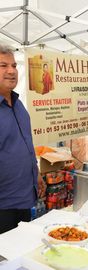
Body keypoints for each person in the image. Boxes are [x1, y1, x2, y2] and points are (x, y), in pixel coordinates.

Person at [0, 44, 46, 234]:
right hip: (3, 206)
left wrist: (35, 173)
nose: (11, 71)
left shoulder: (19, 106)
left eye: (14, 65)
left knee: (21, 255)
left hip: (25, 199)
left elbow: (25, 145)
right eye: (3, 65)